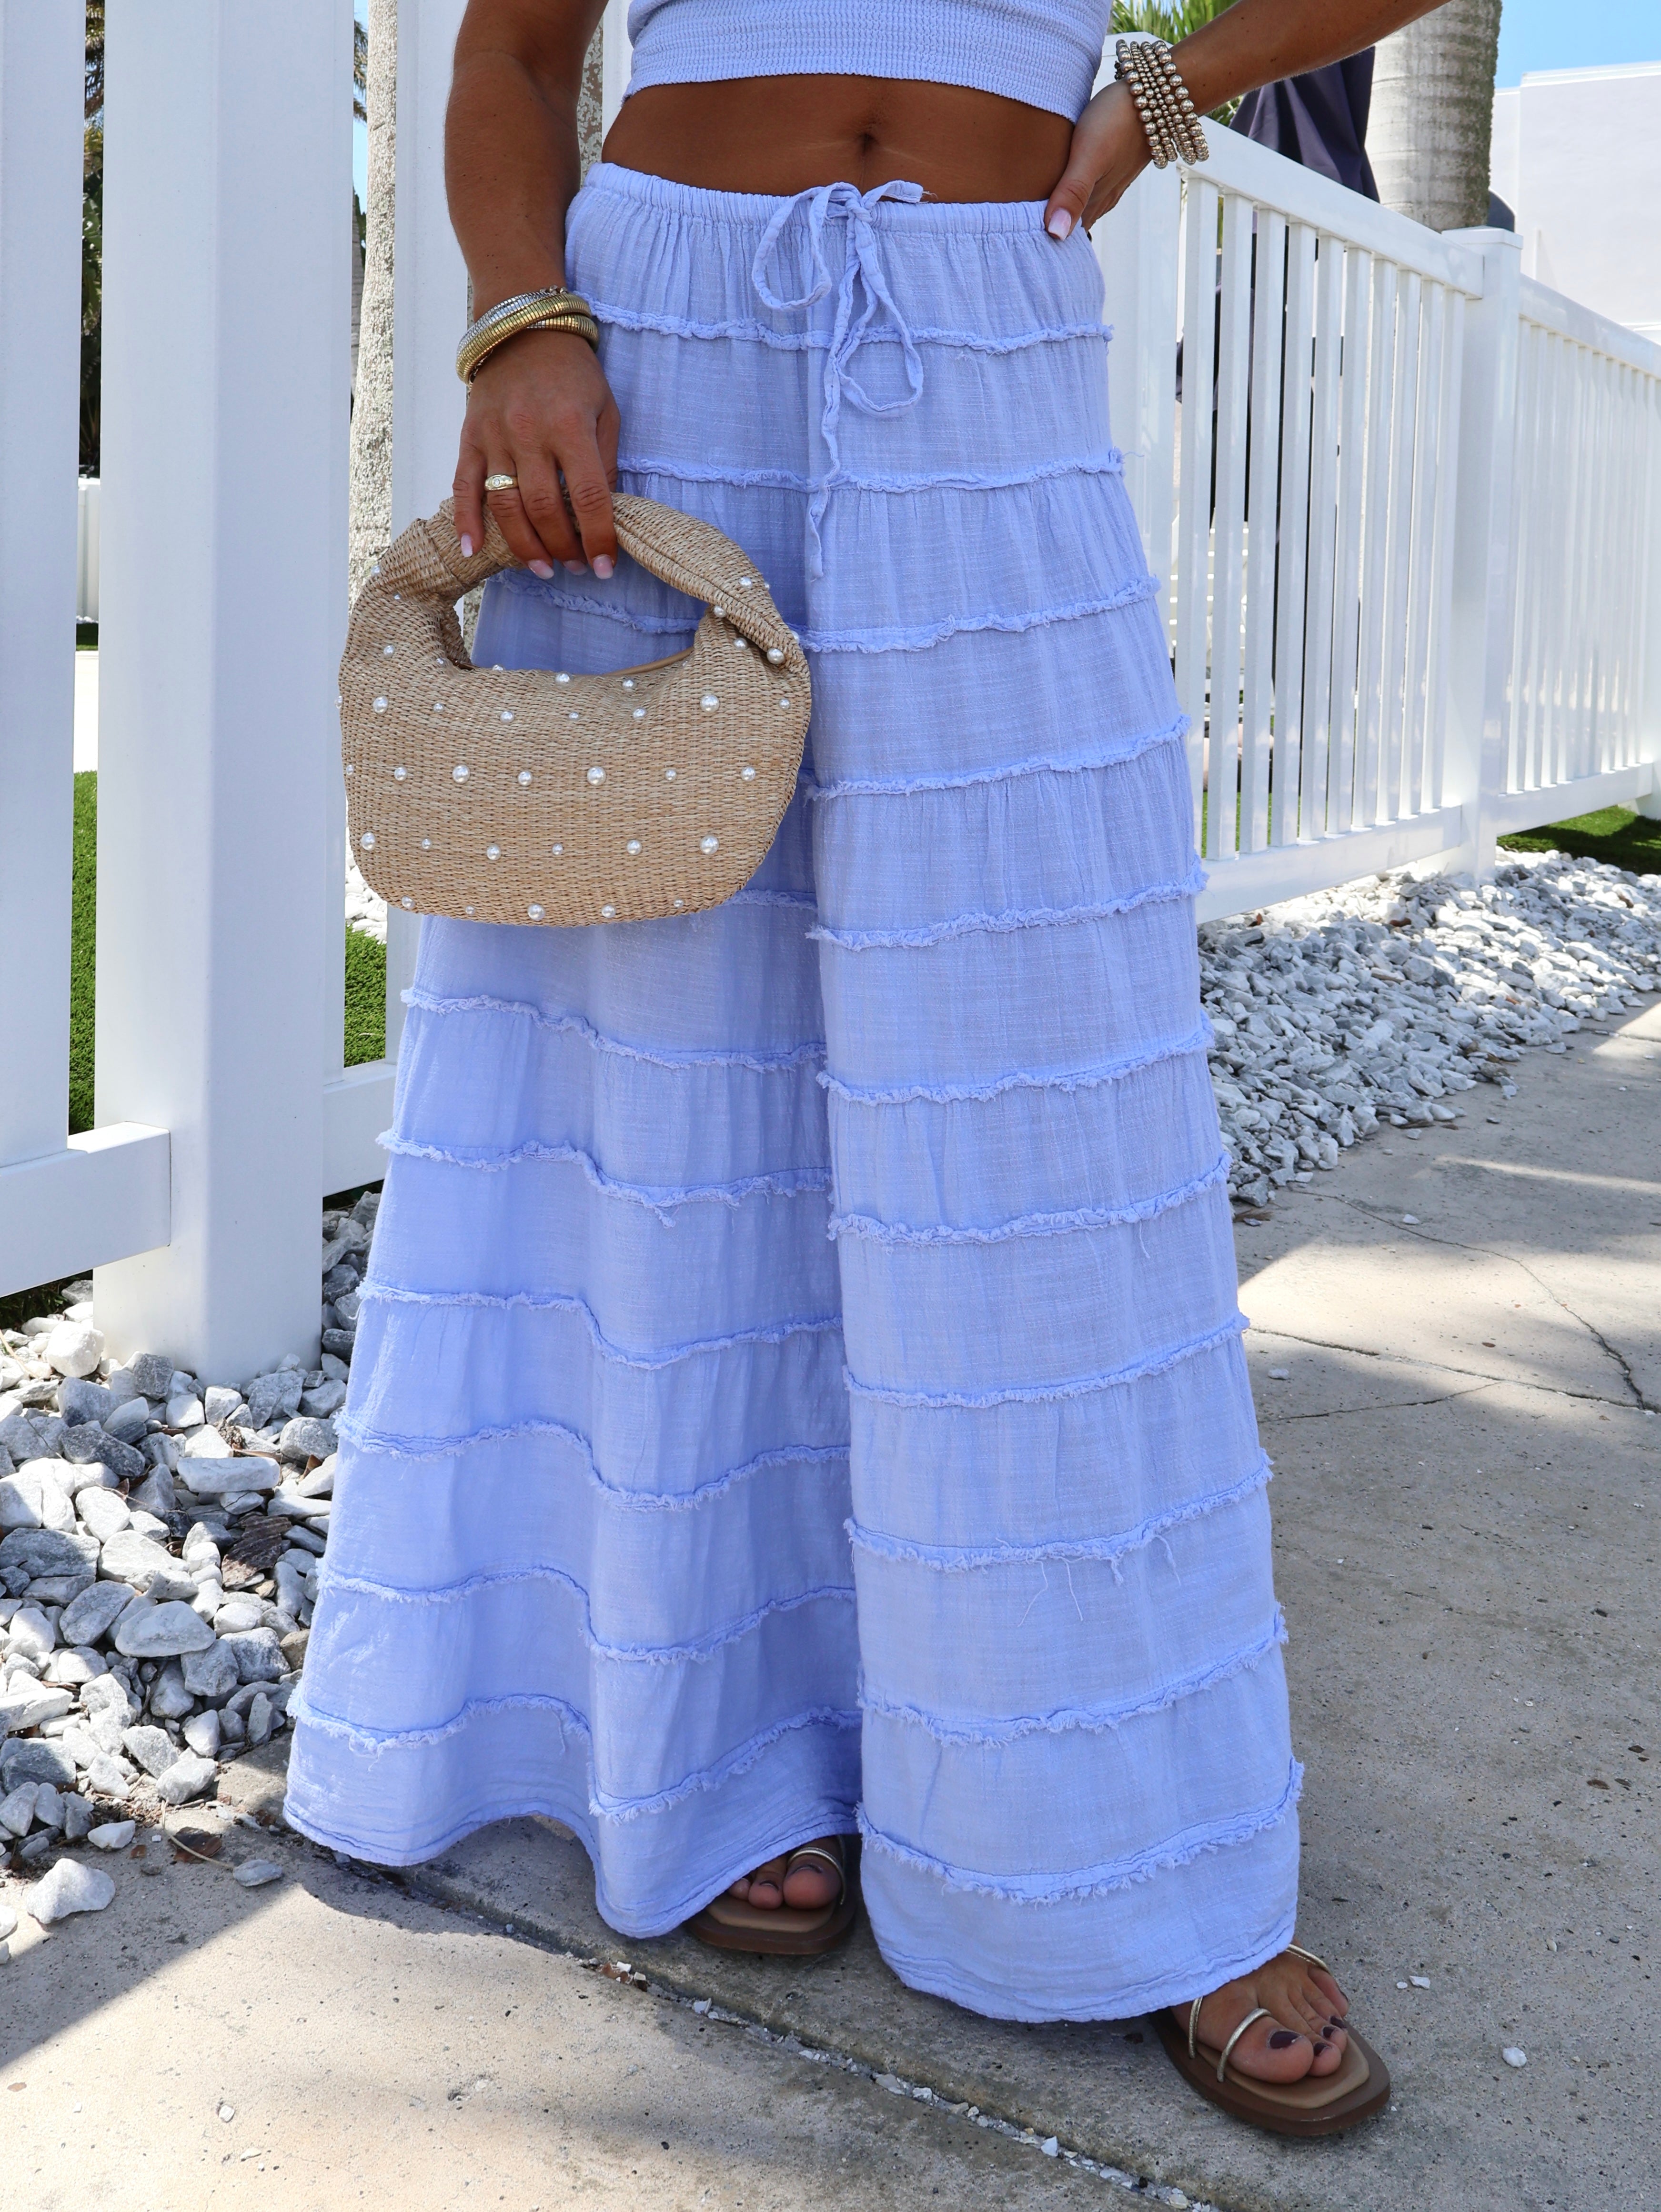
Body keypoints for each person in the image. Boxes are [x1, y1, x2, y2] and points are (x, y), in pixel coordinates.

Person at [290, 0, 1449, 2132]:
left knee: (1035, 1117)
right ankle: (718, 1741)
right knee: (665, 1077)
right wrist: (520, 319)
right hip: (648, 335)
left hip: (979, 333)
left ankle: (1132, 1860)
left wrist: (1170, 77)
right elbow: (516, 45)